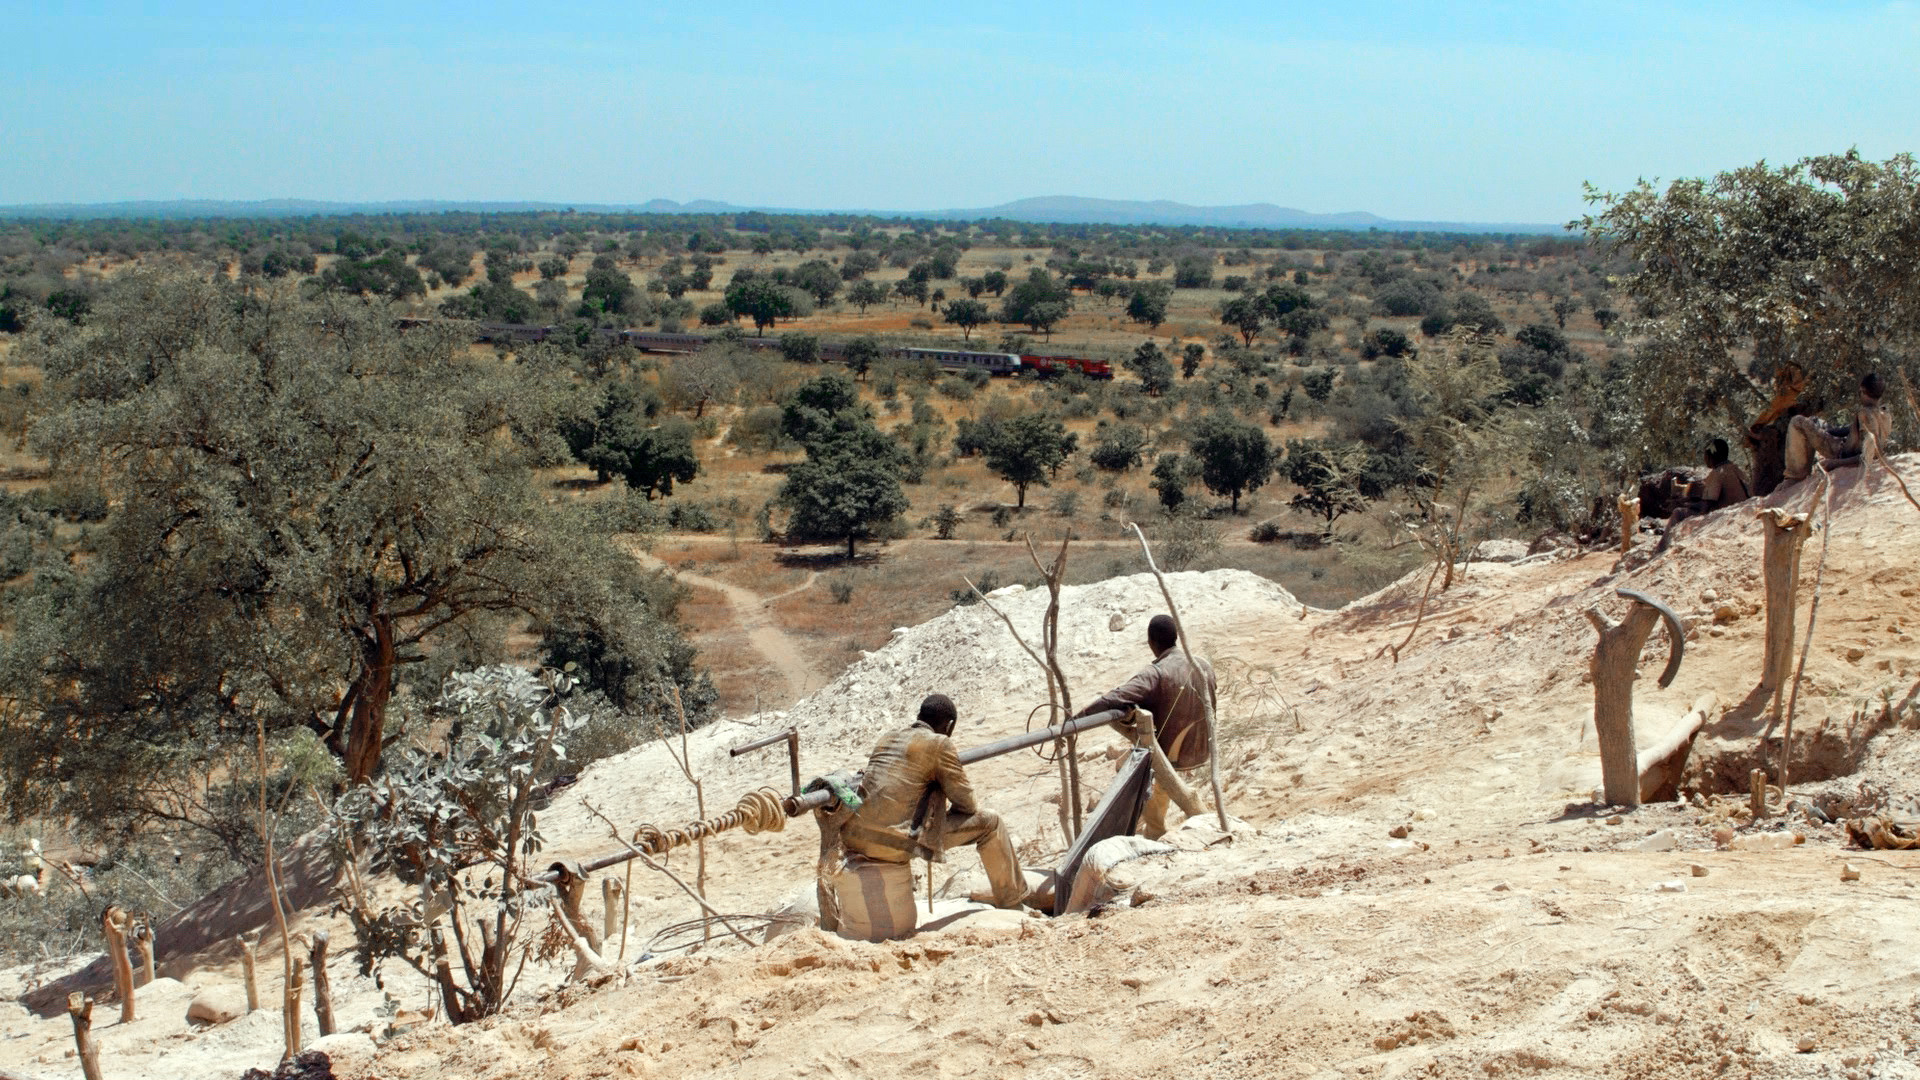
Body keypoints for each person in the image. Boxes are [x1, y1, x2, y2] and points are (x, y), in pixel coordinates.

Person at [838, 694, 1027, 910]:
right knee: (990, 823)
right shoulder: (940, 743)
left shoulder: (887, 738)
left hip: (855, 837)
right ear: (949, 725)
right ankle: (1013, 902)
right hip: (894, 843)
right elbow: (967, 803)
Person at [1073, 614, 1216, 840]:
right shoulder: (1203, 665)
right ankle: (1153, 829)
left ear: (1151, 642)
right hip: (1202, 748)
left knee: (1148, 781)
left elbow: (1116, 697)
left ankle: (1155, 835)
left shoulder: (1156, 672)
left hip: (1169, 756)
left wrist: (1077, 719)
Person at [1785, 372, 1892, 482]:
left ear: (1863, 390)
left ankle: (1795, 477)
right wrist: (1829, 431)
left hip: (1841, 454)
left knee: (1797, 422)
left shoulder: (1866, 415)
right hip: (1844, 445)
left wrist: (1835, 464)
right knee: (1814, 421)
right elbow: (1855, 431)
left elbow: (1868, 456)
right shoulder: (1885, 414)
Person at [1656, 438, 1750, 551]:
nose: (1705, 459)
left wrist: (1685, 504)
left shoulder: (1717, 473)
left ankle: (1661, 549)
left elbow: (1706, 506)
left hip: (1725, 515)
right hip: (1744, 510)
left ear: (1712, 455)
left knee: (1678, 513)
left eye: (1706, 455)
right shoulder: (1736, 468)